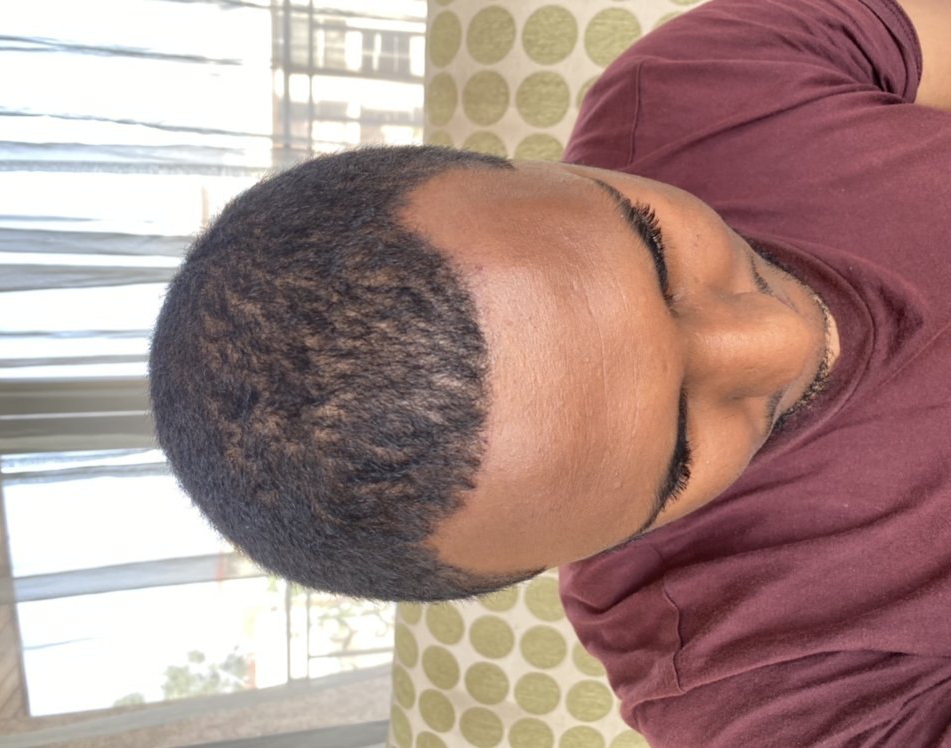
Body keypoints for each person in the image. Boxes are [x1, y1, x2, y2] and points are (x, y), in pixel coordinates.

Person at [149, 0, 951, 743]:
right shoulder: (747, 690)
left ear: (539, 172)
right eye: (680, 452)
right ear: (567, 551)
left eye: (661, 258)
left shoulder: (699, 84)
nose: (779, 338)